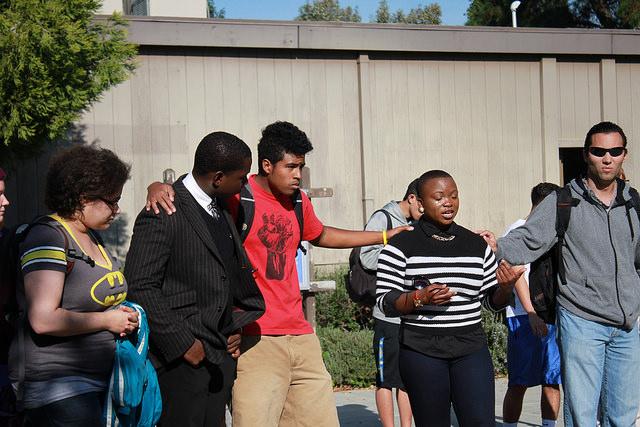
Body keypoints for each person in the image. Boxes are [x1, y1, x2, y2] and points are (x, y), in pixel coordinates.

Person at [146, 121, 411, 427]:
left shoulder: (299, 200)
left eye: (301, 166)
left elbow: (322, 234)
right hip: (254, 338)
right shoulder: (237, 196)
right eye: (291, 166)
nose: (298, 174)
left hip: (301, 336)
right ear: (267, 165)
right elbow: (199, 187)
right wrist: (158, 185)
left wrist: (384, 237)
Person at [480, 121, 640, 426]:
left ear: (624, 155)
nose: (607, 158)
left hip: (627, 325)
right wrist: (496, 246)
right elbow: (528, 239)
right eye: (599, 151)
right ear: (586, 154)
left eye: (614, 151)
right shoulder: (564, 201)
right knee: (581, 414)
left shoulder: (634, 203)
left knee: (622, 415)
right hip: (582, 321)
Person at [125, 132, 265, 427]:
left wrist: (233, 325)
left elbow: (224, 275)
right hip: (180, 364)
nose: (245, 184)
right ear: (217, 177)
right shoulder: (164, 212)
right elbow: (140, 284)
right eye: (241, 178)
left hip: (217, 361)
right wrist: (183, 344)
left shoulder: (221, 208)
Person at [375, 169, 522, 427]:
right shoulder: (401, 245)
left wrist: (506, 288)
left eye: (453, 196)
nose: (448, 202)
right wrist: (419, 298)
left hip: (471, 348)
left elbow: (489, 301)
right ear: (419, 203)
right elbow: (385, 301)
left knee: (480, 422)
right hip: (421, 350)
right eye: (439, 197)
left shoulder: (476, 246)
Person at [8, 146, 139, 426]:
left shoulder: (92, 236)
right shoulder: (48, 236)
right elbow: (42, 319)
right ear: (83, 198)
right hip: (59, 389)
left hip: (98, 383)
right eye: (112, 201)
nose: (117, 209)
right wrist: (107, 321)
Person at [359, 178, 421, 427]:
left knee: (407, 378)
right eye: (423, 205)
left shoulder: (416, 223)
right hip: (387, 315)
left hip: (411, 314)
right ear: (412, 198)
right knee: (386, 378)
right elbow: (366, 257)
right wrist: (397, 253)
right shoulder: (383, 218)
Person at [501, 182, 562, 427]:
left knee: (551, 378)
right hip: (523, 316)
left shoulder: (553, 232)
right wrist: (531, 312)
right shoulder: (519, 230)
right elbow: (516, 275)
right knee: (519, 381)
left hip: (551, 315)